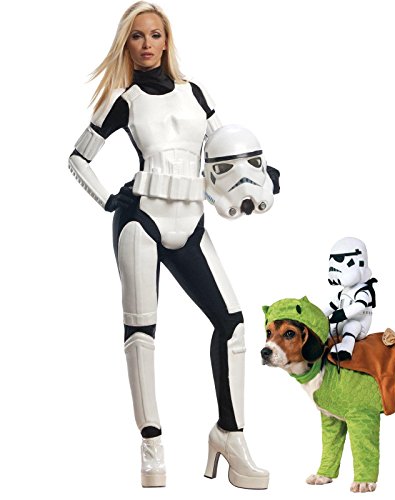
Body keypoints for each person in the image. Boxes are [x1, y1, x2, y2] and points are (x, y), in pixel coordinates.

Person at [68, 1, 272, 489]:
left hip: (191, 222)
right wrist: (108, 200)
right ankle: (152, 445)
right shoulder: (124, 99)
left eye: (155, 34)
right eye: (137, 36)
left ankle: (230, 436)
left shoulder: (194, 92)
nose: (147, 44)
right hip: (141, 220)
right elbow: (78, 158)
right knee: (142, 334)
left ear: (166, 41)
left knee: (232, 325)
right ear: (127, 44)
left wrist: (260, 178)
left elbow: (226, 150)